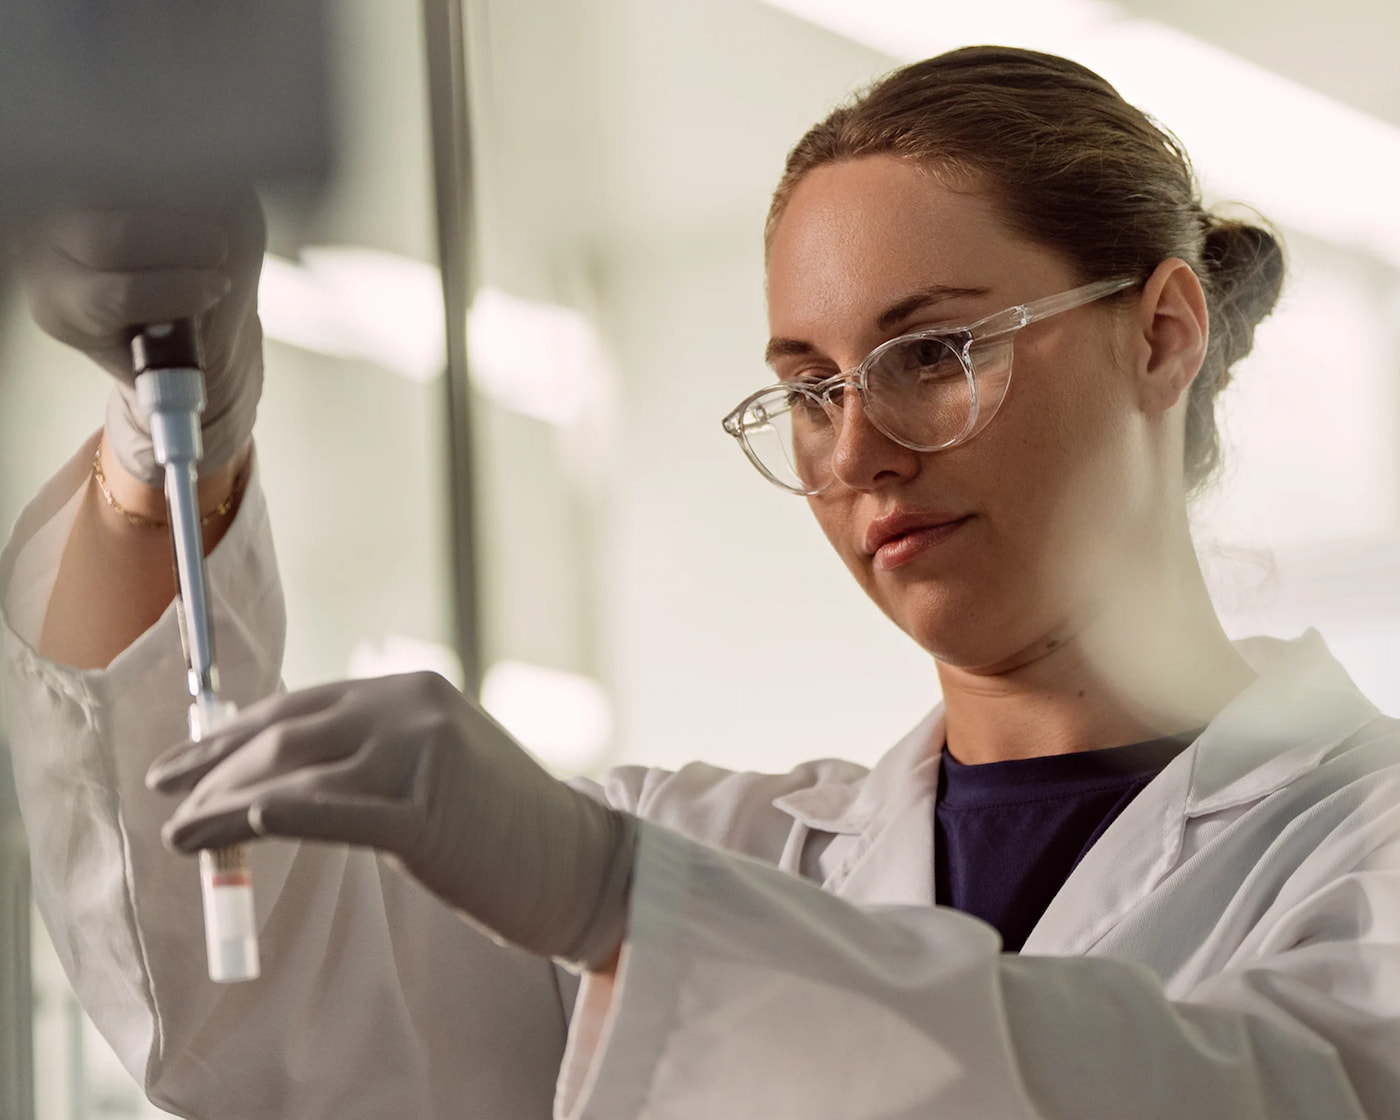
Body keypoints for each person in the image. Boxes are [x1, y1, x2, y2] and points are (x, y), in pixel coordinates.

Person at [4, 44, 1399, 1119]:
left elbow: (1254, 1087)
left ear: (1161, 335)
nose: (857, 452)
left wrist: (626, 905)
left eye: (933, 352)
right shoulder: (715, 847)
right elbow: (244, 1003)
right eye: (806, 389)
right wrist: (165, 451)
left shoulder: (1365, 849)